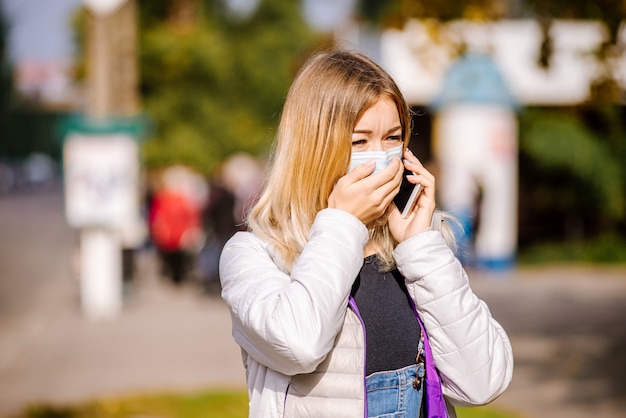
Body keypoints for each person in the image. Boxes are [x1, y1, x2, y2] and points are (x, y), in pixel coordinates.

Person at [219, 50, 514, 418]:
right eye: (360, 142)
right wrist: (343, 221)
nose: (380, 157)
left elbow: (485, 380)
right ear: (315, 148)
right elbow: (299, 345)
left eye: (392, 138)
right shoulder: (256, 255)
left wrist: (421, 245)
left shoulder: (414, 249)